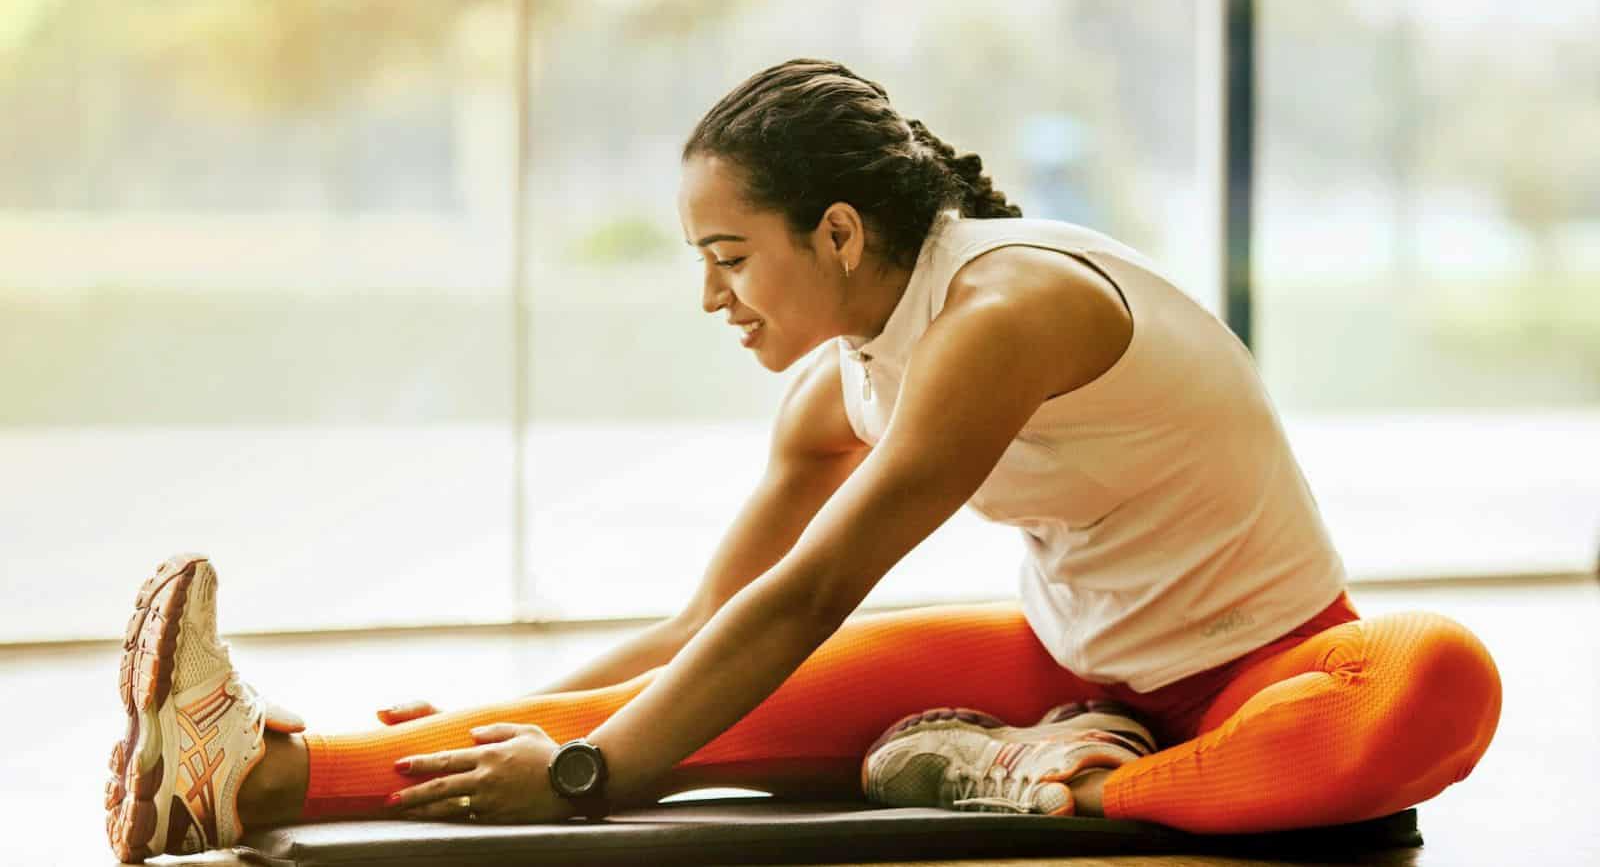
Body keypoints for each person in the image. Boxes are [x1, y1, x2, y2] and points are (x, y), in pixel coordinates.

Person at [104, 59, 1502, 863]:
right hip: (1074, 669)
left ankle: (1060, 781)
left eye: (730, 257)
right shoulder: (841, 385)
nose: (714, 297)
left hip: (1274, 672)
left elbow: (819, 587)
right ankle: (232, 772)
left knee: (1441, 681)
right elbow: (709, 633)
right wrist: (504, 719)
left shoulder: (1008, 314)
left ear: (837, 232)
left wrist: (596, 775)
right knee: (659, 703)